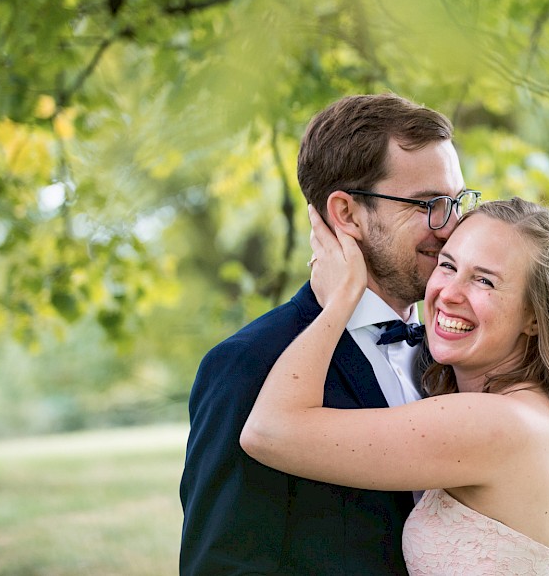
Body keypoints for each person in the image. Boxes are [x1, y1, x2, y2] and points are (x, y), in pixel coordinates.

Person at [241, 198, 549, 574]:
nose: (449, 293)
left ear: (535, 316)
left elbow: (269, 431)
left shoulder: (495, 423)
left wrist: (341, 296)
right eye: (447, 266)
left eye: (484, 280)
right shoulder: (530, 410)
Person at [180, 93, 479, 575]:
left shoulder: (457, 349)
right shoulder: (249, 364)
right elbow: (222, 565)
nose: (451, 227)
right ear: (346, 214)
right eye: (427, 204)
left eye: (457, 202)